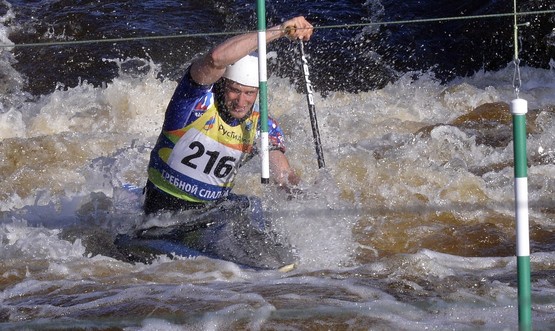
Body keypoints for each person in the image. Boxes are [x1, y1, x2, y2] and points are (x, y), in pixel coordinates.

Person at [144, 16, 314, 216]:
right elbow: (216, 59)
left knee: (252, 214)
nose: (241, 102)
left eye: (249, 93)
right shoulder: (193, 102)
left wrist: (302, 195)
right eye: (234, 91)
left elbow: (283, 175)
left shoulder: (262, 124)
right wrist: (280, 30)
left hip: (211, 212)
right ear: (221, 85)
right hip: (160, 209)